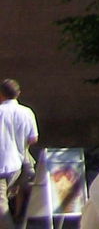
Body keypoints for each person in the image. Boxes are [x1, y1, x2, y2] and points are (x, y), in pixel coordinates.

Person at [0, 79, 40, 229]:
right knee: (20, 195)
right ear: (18, 94)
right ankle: (19, 222)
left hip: (2, 163)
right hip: (20, 163)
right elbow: (33, 138)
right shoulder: (27, 112)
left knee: (1, 203)